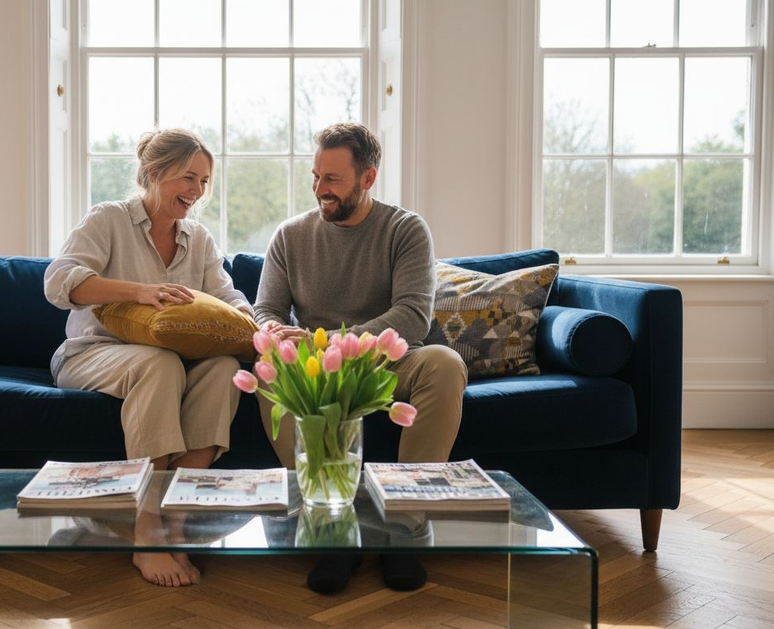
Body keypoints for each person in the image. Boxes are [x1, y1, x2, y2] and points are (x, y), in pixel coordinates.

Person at [254, 122, 468, 594]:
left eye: (332, 180)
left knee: (444, 363)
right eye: (315, 177)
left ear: (367, 178)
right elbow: (265, 309)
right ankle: (330, 530)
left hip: (384, 362)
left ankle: (405, 532)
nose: (319, 190)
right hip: (316, 369)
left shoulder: (405, 229)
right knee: (266, 369)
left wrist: (328, 340)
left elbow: (411, 317)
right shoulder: (290, 235)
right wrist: (275, 331)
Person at [44, 128, 253, 587]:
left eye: (204, 181)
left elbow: (229, 298)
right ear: (154, 174)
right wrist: (140, 291)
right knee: (158, 363)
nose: (197, 191)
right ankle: (146, 526)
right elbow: (59, 281)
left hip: (178, 362)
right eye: (187, 178)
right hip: (93, 353)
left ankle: (175, 512)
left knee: (223, 368)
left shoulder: (198, 239)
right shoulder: (108, 219)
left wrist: (257, 327)